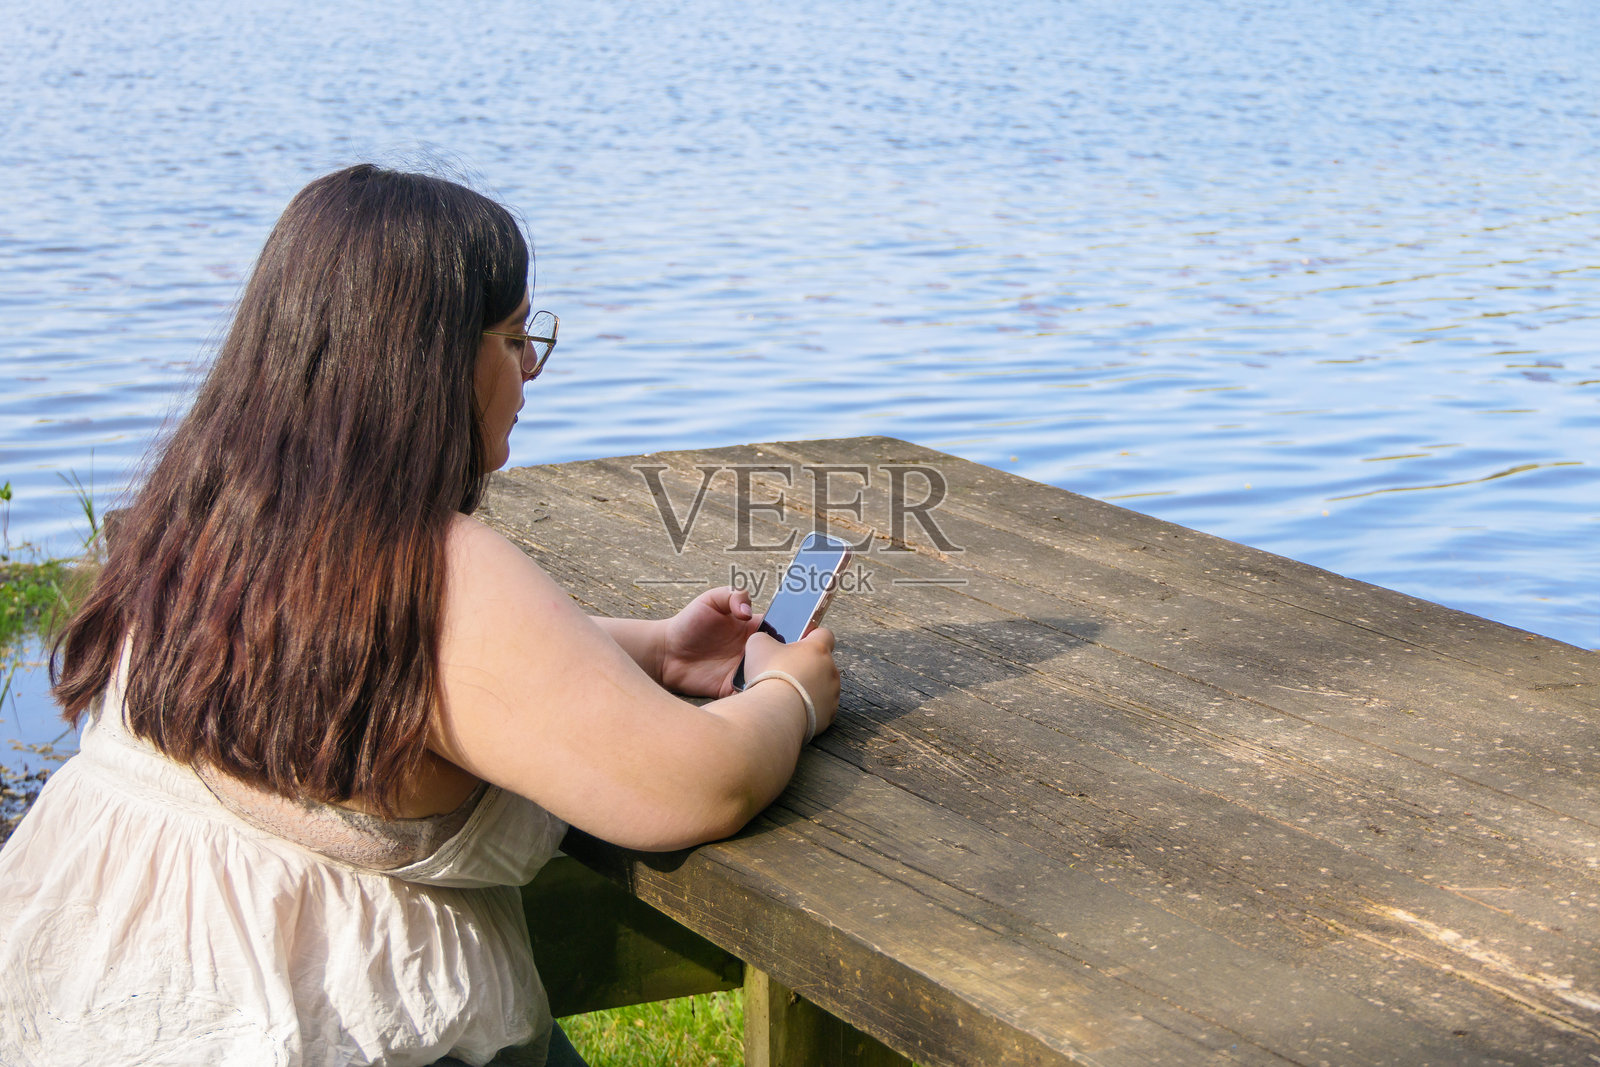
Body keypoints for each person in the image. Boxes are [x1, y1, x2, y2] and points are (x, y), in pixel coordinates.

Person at [0, 164, 840, 1066]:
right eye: (515, 337)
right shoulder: (435, 571)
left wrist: (658, 651)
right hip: (327, 1030)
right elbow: (695, 784)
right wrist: (788, 694)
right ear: (429, 359)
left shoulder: (205, 520)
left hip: (104, 996)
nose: (529, 370)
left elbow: (388, 669)